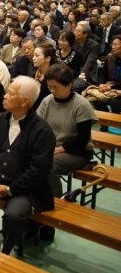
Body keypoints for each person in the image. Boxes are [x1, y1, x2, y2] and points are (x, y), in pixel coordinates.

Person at [0, 76, 56, 255]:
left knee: (14, 215)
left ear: (24, 101)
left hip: (23, 189)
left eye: (10, 93)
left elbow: (38, 171)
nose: (4, 96)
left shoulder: (42, 131)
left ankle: (7, 250)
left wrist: (10, 189)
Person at [37, 64, 97, 196]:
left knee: (47, 165)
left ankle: (55, 201)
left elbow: (83, 138)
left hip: (77, 151)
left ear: (69, 85)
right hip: (51, 148)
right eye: (49, 86)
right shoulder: (47, 101)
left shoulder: (81, 104)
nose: (52, 90)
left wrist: (61, 149)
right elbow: (37, 127)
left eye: (55, 87)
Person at [32, 43, 56, 109]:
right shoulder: (34, 73)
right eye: (33, 55)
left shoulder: (54, 76)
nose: (33, 58)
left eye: (37, 56)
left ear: (48, 58)